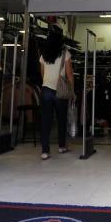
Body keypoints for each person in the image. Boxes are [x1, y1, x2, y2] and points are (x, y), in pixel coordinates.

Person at [39, 29, 74, 160]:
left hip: (46, 90)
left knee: (46, 121)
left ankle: (45, 151)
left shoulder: (44, 55)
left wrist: (48, 83)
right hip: (60, 91)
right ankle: (61, 146)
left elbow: (42, 74)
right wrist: (71, 92)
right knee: (61, 119)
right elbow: (70, 75)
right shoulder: (66, 54)